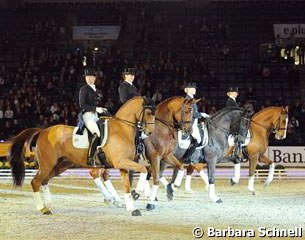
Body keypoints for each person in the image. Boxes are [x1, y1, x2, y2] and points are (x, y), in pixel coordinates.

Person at [79, 65, 107, 167]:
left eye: (90, 77)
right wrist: (95, 109)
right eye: (87, 77)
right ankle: (90, 158)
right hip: (88, 115)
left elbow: (98, 103)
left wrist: (102, 109)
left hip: (96, 115)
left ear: (94, 78)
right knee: (97, 133)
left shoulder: (98, 91)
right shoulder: (84, 89)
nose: (88, 79)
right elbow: (82, 105)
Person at [183, 82, 209, 162]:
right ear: (188, 90)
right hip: (190, 123)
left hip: (194, 122)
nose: (195, 90)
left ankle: (196, 155)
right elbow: (191, 113)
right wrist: (201, 114)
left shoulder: (191, 99)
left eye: (195, 88)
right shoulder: (187, 99)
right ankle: (187, 157)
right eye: (193, 88)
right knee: (197, 138)